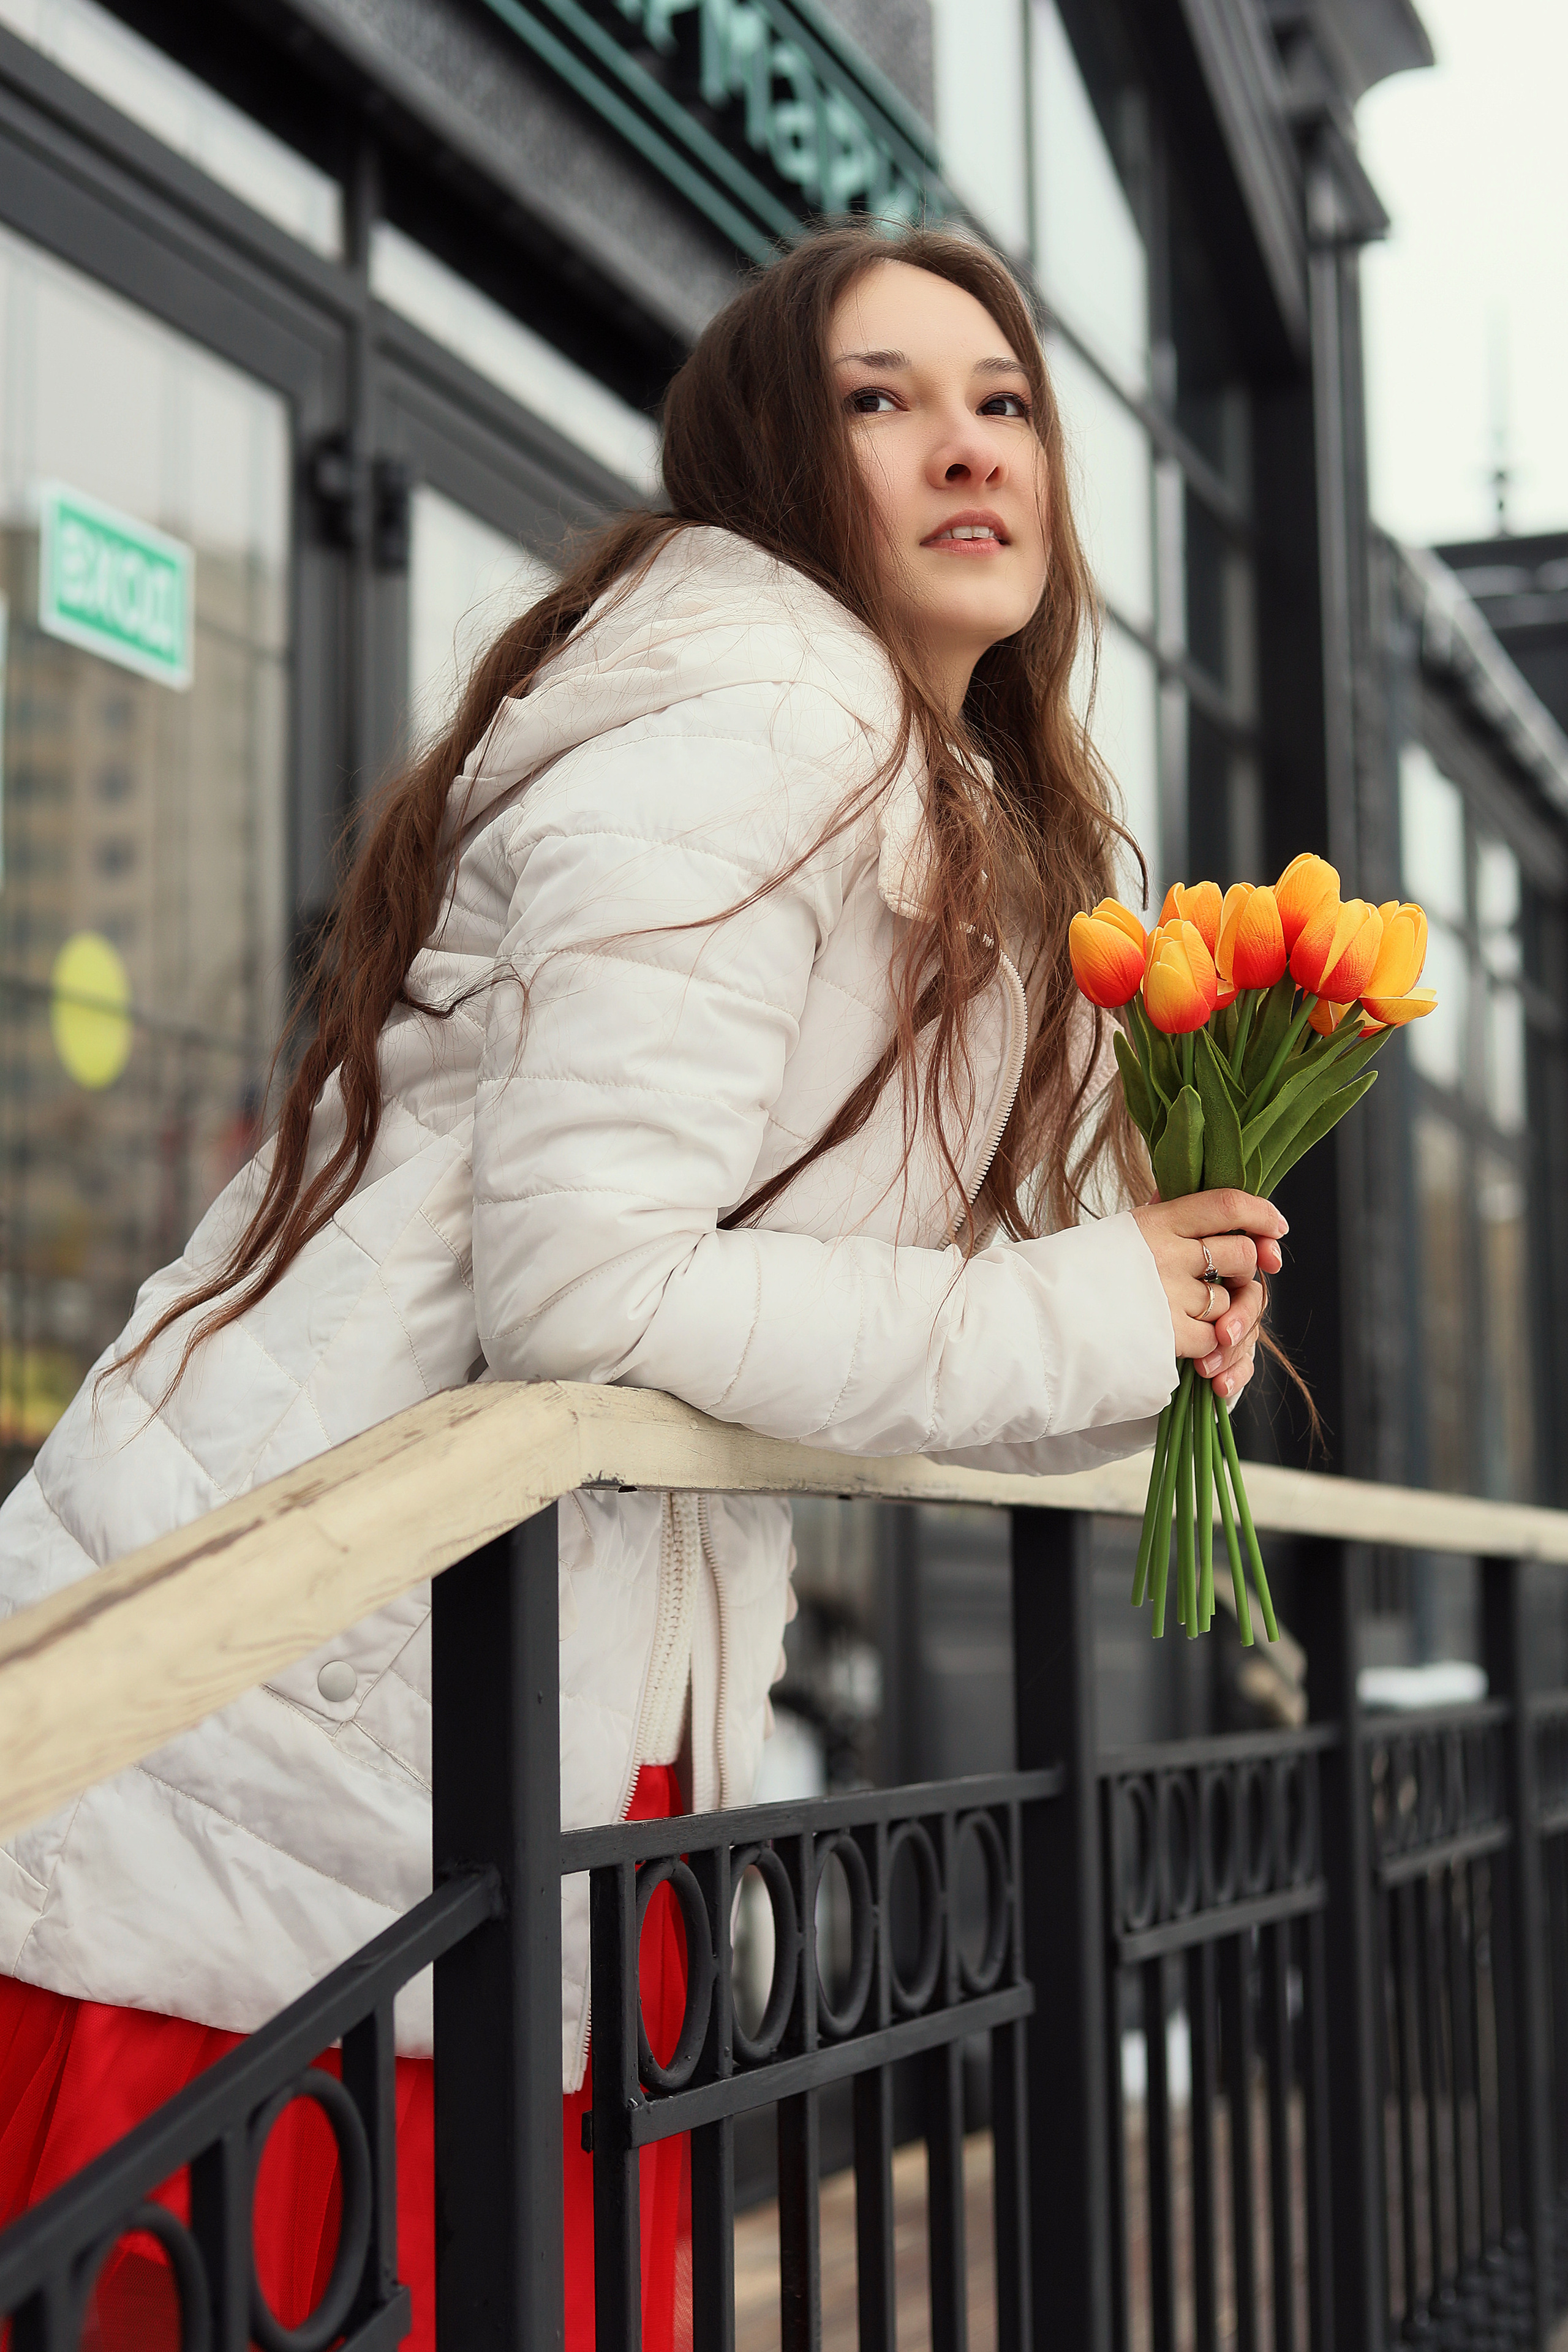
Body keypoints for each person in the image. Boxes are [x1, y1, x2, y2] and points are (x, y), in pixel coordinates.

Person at [0, 222, 1283, 2346]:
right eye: (883, 400)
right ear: (783, 457)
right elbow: (594, 1292)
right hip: (347, 1703)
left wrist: (1135, 1344)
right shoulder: (759, 724)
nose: (966, 449)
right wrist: (1087, 1307)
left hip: (535, 1699)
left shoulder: (913, 787)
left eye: (1004, 402)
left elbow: (839, 1305)